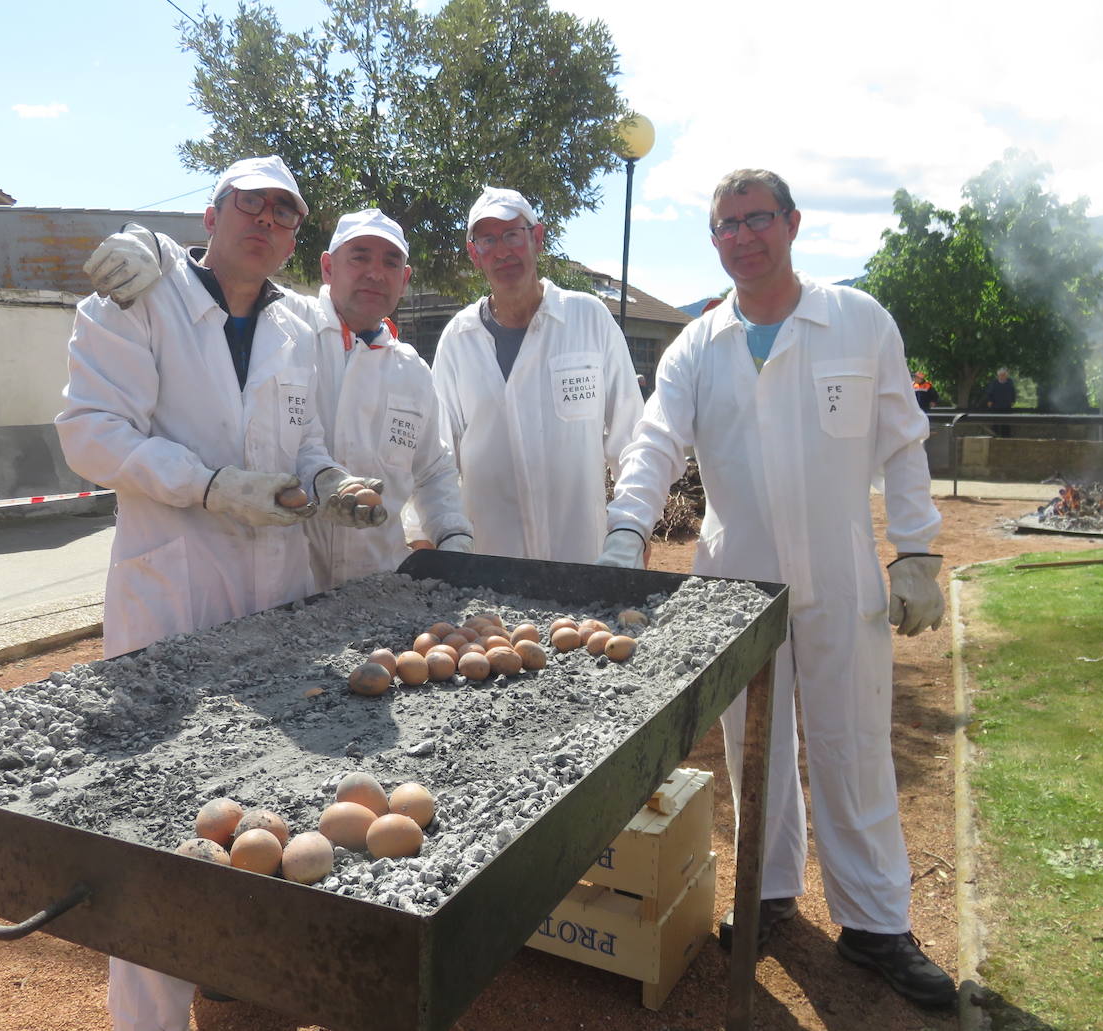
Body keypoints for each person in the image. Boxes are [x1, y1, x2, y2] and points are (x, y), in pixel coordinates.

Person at [597, 169, 956, 1009]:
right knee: (747, 744)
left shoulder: (857, 323)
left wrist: (916, 552)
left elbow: (903, 442)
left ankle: (875, 923)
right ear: (713, 240)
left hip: (839, 569)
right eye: (726, 224)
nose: (743, 235)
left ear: (792, 223)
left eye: (759, 218)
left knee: (853, 740)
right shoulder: (696, 345)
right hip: (734, 578)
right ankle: (768, 889)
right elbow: (656, 441)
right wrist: (626, 526)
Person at [58, 155, 387, 1031]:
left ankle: (248, 996)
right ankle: (151, 1018)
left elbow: (304, 441)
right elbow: (89, 433)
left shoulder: (295, 331)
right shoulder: (143, 297)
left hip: (267, 610)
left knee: (258, 805)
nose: (267, 222)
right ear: (212, 214)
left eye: (285, 213)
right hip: (173, 598)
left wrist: (331, 482)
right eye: (252, 204)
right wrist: (206, 485)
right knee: (157, 827)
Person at [85, 206, 474, 590]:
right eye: (359, 257)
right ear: (327, 267)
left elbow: (434, 470)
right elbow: (215, 273)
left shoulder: (412, 372)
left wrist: (453, 536)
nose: (375, 273)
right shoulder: (283, 324)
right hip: (295, 591)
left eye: (390, 262)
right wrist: (152, 244)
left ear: (404, 279)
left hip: (382, 583)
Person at [431, 187, 643, 562]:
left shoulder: (589, 320)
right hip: (489, 565)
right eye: (487, 240)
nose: (502, 251)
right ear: (474, 255)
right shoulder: (458, 339)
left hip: (582, 556)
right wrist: (444, 537)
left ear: (538, 238)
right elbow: (438, 455)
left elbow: (631, 437)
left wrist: (633, 529)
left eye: (513, 235)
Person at [984, 367, 1016, 436]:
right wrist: (989, 401)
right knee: (995, 423)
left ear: (1006, 375)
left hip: (1006, 406)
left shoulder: (1009, 382)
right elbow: (989, 393)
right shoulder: (994, 383)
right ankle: (994, 436)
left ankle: (1006, 437)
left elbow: (1013, 393)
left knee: (1006, 423)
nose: (1002, 376)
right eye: (1001, 375)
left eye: (1004, 375)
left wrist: (1013, 401)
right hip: (996, 406)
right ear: (998, 375)